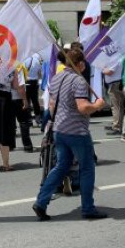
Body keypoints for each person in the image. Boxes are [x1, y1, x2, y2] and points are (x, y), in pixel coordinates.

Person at [32, 48, 108, 221]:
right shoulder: (78, 81)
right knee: (87, 167)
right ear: (80, 64)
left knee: (61, 166)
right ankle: (88, 208)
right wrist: (97, 105)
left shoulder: (57, 77)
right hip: (77, 132)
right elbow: (82, 107)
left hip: (59, 129)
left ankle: (41, 202)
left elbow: (51, 106)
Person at [11, 62, 34, 152]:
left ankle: (10, 144)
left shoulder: (3, 64)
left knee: (10, 123)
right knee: (24, 122)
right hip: (17, 98)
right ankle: (27, 145)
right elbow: (20, 85)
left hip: (6, 98)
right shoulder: (17, 66)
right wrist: (24, 99)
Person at [102, 60, 125, 135]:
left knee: (116, 107)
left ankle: (117, 127)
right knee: (116, 106)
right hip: (114, 84)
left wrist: (102, 69)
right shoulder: (116, 58)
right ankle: (118, 126)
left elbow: (110, 72)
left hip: (115, 85)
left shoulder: (116, 59)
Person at [24, 52, 44, 123]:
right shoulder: (37, 61)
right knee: (35, 101)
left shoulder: (25, 59)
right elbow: (39, 74)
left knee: (27, 100)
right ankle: (37, 118)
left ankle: (28, 118)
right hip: (35, 82)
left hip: (27, 82)